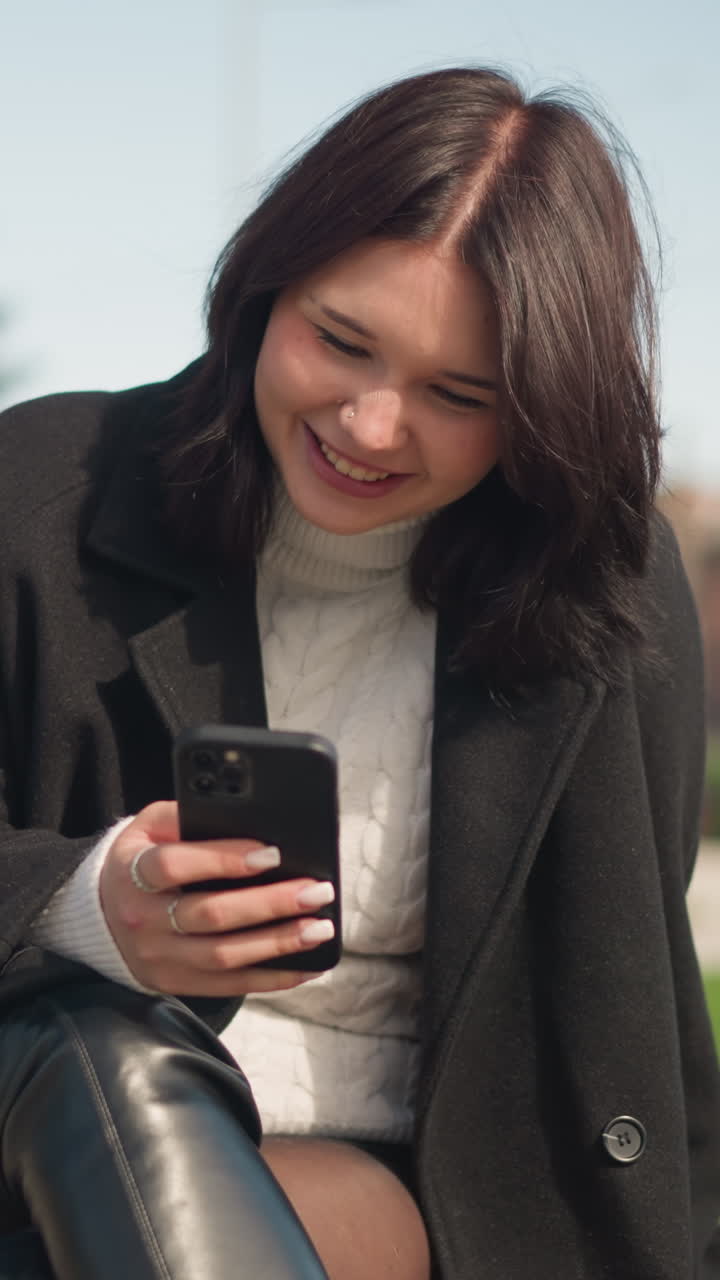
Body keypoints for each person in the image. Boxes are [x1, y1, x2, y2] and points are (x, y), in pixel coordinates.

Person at [0, 63, 718, 1280]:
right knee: (111, 1066)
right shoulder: (42, 489)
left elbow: (634, 998)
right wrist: (89, 905)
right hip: (44, 1143)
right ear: (264, 287)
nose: (372, 428)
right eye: (341, 340)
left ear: (540, 410)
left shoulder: (606, 576)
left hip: (419, 1196)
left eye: (459, 394)